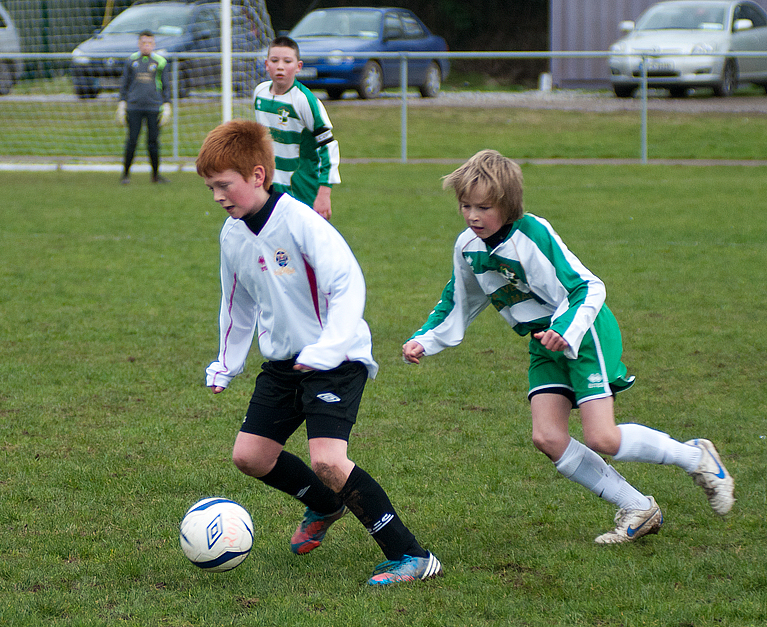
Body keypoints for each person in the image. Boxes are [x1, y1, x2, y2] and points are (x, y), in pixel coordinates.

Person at [402, 149, 735, 544]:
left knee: (602, 438)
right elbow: (459, 298)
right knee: (547, 437)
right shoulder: (467, 247)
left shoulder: (533, 234)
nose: (473, 216)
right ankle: (637, 507)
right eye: (465, 205)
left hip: (584, 332)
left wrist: (566, 329)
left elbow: (588, 286)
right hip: (544, 342)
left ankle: (697, 458)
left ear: (508, 206)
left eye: (484, 207)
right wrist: (425, 339)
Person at [196, 119, 441, 585]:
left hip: (338, 358)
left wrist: (329, 348)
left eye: (224, 185)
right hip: (285, 363)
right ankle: (326, 504)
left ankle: (413, 556)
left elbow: (347, 284)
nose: (217, 197)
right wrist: (226, 364)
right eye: (210, 188)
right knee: (250, 456)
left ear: (256, 176)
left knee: (328, 460)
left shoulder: (301, 222)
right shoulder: (231, 235)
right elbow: (236, 303)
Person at [254, 36, 339, 220]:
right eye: (275, 61)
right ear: (266, 64)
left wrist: (324, 192)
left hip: (300, 186)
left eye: (287, 61)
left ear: (298, 66)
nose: (280, 66)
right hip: (269, 187)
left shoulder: (304, 101)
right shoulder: (259, 94)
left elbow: (328, 145)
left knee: (305, 245)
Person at [116, 30, 171, 185]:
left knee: (153, 142)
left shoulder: (160, 62)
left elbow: (165, 86)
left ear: (153, 45)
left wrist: (167, 105)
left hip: (154, 107)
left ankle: (155, 175)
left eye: (149, 43)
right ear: (139, 44)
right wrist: (122, 104)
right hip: (134, 107)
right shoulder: (131, 61)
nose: (146, 46)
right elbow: (124, 85)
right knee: (132, 140)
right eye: (143, 43)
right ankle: (125, 175)